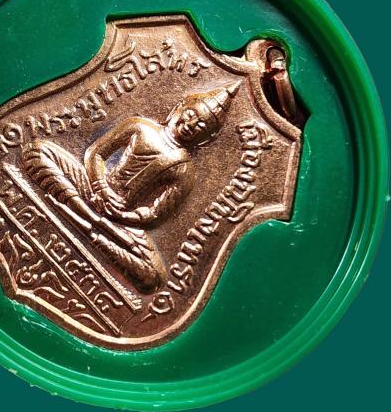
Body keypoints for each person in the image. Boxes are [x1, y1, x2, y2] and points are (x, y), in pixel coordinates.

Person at [21, 81, 239, 292]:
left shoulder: (184, 171)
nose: (191, 125)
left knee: (153, 278)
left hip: (122, 220)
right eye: (191, 114)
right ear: (178, 108)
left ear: (206, 138)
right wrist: (101, 187)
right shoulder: (139, 127)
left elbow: (154, 215)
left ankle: (86, 223)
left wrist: (123, 216)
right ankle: (88, 220)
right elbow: (96, 153)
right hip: (89, 187)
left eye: (201, 126)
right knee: (36, 152)